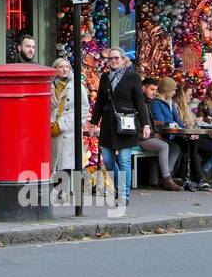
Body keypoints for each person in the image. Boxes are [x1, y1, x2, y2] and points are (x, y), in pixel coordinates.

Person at [87, 49, 150, 206]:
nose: (113, 61)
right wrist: (94, 122)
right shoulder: (105, 77)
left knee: (124, 160)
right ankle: (119, 186)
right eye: (111, 58)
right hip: (108, 124)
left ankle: (123, 194)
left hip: (126, 123)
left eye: (116, 58)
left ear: (123, 59)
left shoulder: (133, 77)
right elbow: (100, 101)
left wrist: (146, 124)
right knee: (108, 160)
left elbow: (139, 102)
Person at [142, 77, 187, 191]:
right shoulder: (148, 103)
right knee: (164, 146)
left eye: (155, 90)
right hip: (142, 137)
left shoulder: (152, 102)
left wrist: (183, 129)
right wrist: (156, 130)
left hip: (153, 134)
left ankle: (168, 175)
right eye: (152, 89)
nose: (154, 93)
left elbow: (176, 121)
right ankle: (167, 178)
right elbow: (149, 122)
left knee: (175, 147)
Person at [174, 85, 212, 187]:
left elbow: (191, 121)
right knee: (199, 145)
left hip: (190, 134)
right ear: (182, 95)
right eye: (189, 95)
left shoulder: (187, 107)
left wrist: (199, 122)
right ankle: (200, 176)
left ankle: (196, 174)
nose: (191, 97)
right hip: (179, 136)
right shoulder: (175, 106)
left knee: (211, 147)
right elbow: (180, 124)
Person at [49, 57, 76, 178]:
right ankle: (52, 190)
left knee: (65, 162)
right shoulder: (48, 86)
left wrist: (69, 123)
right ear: (55, 69)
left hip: (68, 129)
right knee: (52, 161)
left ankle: (62, 192)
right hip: (52, 127)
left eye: (67, 67)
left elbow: (83, 108)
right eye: (61, 67)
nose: (64, 69)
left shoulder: (76, 87)